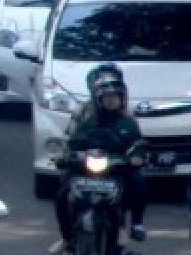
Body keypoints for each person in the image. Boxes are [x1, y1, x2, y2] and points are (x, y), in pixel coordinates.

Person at [53, 65, 147, 253]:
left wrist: (136, 157)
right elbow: (71, 140)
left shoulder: (128, 120)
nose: (111, 101)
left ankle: (137, 224)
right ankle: (67, 238)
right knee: (61, 193)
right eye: (107, 97)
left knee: (139, 180)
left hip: (116, 168)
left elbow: (138, 143)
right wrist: (64, 155)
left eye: (115, 97)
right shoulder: (86, 117)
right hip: (86, 167)